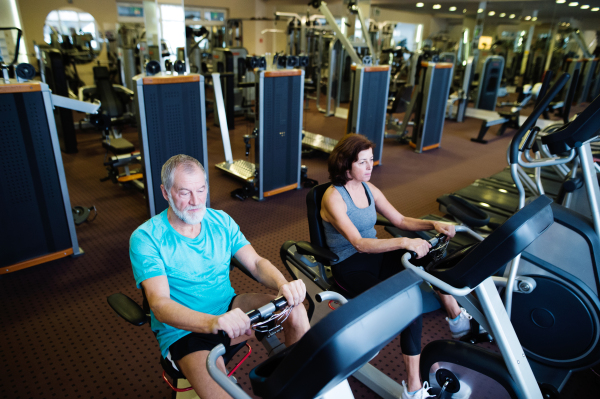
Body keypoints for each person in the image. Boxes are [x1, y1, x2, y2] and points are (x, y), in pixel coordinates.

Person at [130, 154, 310, 399]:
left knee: (296, 310)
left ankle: (297, 387)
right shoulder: (146, 238)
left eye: (201, 190)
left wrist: (284, 284)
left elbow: (256, 263)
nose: (196, 201)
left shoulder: (221, 221)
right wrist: (213, 323)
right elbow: (160, 306)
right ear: (165, 192)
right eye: (184, 193)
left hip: (230, 309)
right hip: (186, 332)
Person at [321, 134, 472, 399]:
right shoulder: (333, 197)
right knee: (408, 303)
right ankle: (413, 390)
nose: (370, 167)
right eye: (363, 162)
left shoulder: (368, 188)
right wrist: (404, 243)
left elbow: (400, 219)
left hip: (377, 257)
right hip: (350, 267)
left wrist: (432, 224)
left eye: (371, 160)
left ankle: (455, 316)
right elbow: (359, 244)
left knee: (432, 254)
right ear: (346, 166)